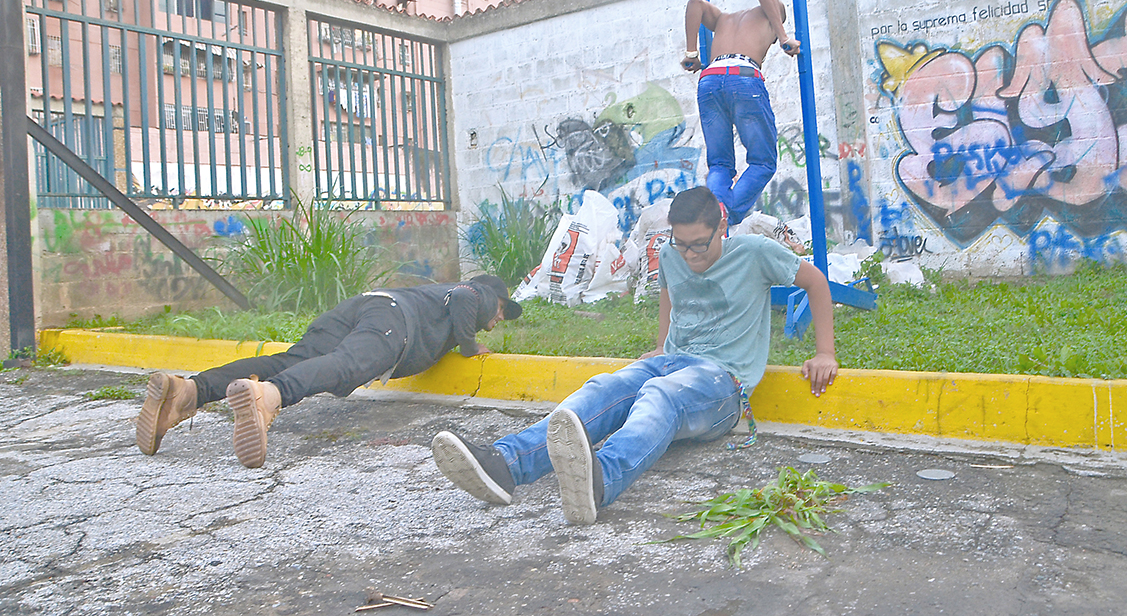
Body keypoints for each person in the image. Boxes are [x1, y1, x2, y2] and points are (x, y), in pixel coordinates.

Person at [431, 186, 836, 525]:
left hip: (721, 383)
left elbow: (816, 282)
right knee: (607, 387)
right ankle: (506, 464)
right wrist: (662, 344)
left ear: (722, 227)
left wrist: (824, 352)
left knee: (660, 395)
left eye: (700, 244)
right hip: (670, 362)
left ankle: (599, 478)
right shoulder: (673, 255)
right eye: (683, 244)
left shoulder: (754, 251)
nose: (691, 254)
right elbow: (668, 293)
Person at [136, 274, 522, 468]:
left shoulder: (432, 294)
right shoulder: (474, 293)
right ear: (495, 297)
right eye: (502, 312)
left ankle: (189, 390)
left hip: (364, 305)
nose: (498, 319)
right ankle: (267, 397)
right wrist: (472, 346)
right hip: (391, 321)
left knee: (289, 360)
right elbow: (466, 302)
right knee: (346, 366)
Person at [681, 0, 800, 226]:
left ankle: (714, 218)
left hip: (709, 79)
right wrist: (783, 36)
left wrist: (691, 54)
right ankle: (726, 216)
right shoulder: (770, 12)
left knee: (720, 164)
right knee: (763, 161)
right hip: (743, 77)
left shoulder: (723, 19)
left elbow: (695, 4)